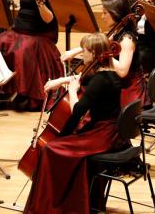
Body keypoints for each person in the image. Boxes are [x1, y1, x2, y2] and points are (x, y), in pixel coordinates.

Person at [24, 32, 127, 213]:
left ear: (95, 54)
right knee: (65, 142)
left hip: (102, 135)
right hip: (111, 132)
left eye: (84, 51)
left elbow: (78, 111)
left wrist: (72, 91)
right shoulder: (110, 74)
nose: (81, 55)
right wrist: (62, 81)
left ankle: (53, 205)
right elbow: (83, 79)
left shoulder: (99, 81)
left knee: (51, 149)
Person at [61, 0, 147, 108]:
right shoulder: (117, 30)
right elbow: (100, 44)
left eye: (105, 13)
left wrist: (105, 55)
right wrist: (74, 51)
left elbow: (122, 71)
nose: (102, 17)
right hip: (116, 82)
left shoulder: (127, 39)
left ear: (115, 14)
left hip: (128, 90)